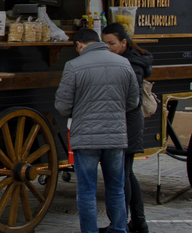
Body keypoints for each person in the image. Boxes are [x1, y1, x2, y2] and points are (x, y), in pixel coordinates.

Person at [55, 27, 140, 233]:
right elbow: (133, 101)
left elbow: (62, 106)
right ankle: (119, 229)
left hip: (86, 137)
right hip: (115, 136)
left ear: (79, 45)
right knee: (116, 189)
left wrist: (80, 110)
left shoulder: (73, 66)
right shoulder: (124, 63)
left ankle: (90, 231)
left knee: (86, 191)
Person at [103, 22, 154, 233]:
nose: (108, 47)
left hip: (128, 122)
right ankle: (138, 222)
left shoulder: (130, 64)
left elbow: (131, 99)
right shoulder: (128, 59)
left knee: (121, 174)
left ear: (124, 42)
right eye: (104, 43)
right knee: (126, 173)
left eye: (112, 43)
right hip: (127, 121)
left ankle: (120, 224)